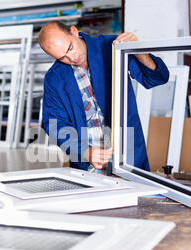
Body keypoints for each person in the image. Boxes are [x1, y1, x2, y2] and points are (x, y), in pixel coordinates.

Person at [39, 21, 169, 173]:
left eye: (70, 48)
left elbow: (157, 78)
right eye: (62, 57)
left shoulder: (111, 47)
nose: (72, 58)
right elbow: (55, 124)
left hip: (128, 155)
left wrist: (139, 52)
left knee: (134, 194)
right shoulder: (54, 78)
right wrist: (86, 152)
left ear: (74, 31)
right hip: (88, 164)